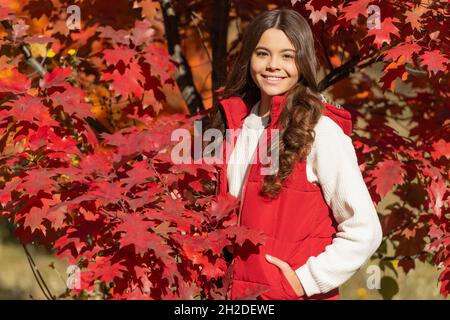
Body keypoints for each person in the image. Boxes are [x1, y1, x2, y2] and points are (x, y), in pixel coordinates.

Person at [202, 8, 383, 300]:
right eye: (263, 53)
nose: (274, 65)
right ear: (249, 58)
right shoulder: (231, 126)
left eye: (287, 55)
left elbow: (365, 230)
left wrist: (302, 282)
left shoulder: (320, 133)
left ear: (303, 62)